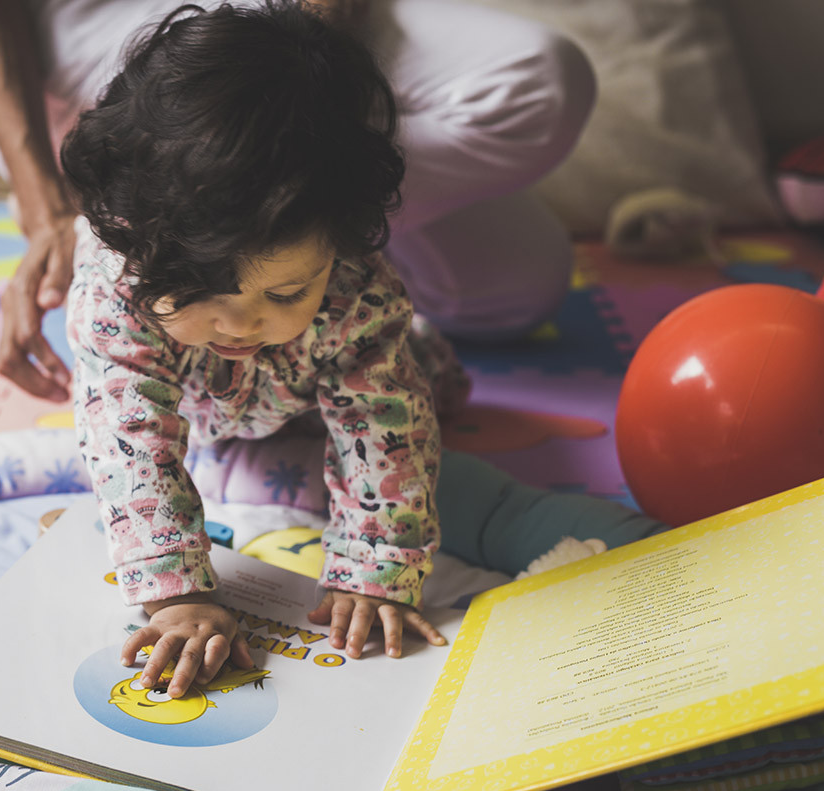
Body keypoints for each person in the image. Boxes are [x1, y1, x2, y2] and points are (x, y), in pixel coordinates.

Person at [50, 2, 664, 700]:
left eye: (285, 292)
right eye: (204, 289)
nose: (244, 322)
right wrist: (177, 595)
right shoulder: (118, 288)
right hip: (203, 401)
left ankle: (423, 356)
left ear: (340, 246)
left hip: (306, 383)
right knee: (138, 431)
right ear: (139, 240)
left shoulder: (355, 293)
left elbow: (382, 429)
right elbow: (130, 441)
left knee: (414, 388)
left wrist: (374, 571)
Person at [0, 0, 597, 402]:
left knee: (519, 285)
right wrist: (53, 214)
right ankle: (137, 199)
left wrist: (309, 147)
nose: (240, 328)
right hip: (70, 17)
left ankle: (293, 243)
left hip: (283, 18)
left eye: (279, 294)